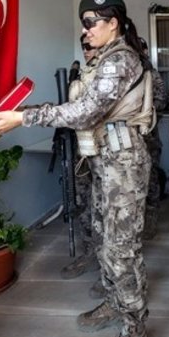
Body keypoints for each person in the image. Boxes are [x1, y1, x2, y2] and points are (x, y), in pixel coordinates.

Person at [0, 0, 153, 337]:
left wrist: (24, 116)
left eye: (92, 22)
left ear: (114, 23)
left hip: (124, 164)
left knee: (122, 249)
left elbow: (86, 111)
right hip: (103, 161)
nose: (85, 29)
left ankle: (135, 331)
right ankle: (114, 302)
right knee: (104, 238)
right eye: (84, 22)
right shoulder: (101, 60)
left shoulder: (120, 59)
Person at [60, 33, 101, 287]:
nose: (86, 51)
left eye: (90, 46)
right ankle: (90, 253)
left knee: (105, 212)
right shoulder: (82, 76)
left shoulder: (110, 74)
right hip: (80, 151)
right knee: (82, 204)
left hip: (103, 151)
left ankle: (109, 271)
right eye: (83, 47)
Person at [138, 37, 167, 240]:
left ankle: (152, 217)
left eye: (142, 49)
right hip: (131, 137)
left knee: (152, 178)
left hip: (149, 136)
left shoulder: (152, 74)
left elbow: (161, 101)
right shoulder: (130, 74)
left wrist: (144, 110)